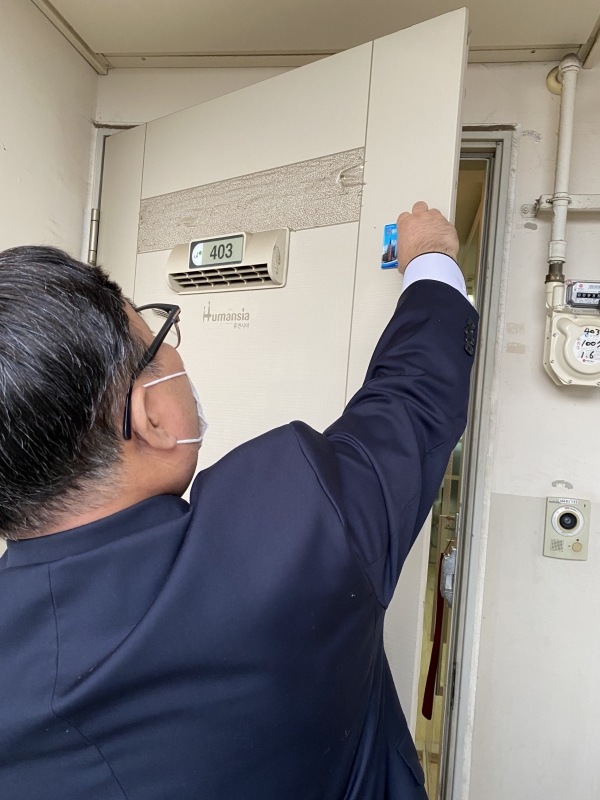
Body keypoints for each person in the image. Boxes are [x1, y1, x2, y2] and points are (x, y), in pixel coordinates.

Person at [0, 202, 477, 800]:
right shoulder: (289, 530)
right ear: (149, 418)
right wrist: (431, 257)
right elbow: (412, 399)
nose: (175, 353)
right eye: (158, 341)